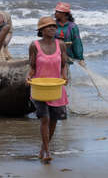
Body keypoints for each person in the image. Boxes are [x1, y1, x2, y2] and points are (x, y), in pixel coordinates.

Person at [27, 16, 68, 163]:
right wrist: (29, 76)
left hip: (56, 87)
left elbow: (64, 64)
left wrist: (65, 75)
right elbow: (32, 66)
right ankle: (47, 151)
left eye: (54, 26)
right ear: (41, 30)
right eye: (49, 26)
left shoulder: (61, 45)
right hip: (40, 88)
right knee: (44, 119)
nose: (52, 28)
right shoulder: (34, 45)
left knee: (54, 120)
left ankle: (43, 148)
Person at [54, 2, 85, 68]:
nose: (55, 13)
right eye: (56, 11)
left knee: (65, 75)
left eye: (58, 12)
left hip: (67, 56)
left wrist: (80, 58)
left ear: (65, 14)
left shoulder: (72, 27)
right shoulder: (52, 25)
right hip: (53, 55)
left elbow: (77, 42)